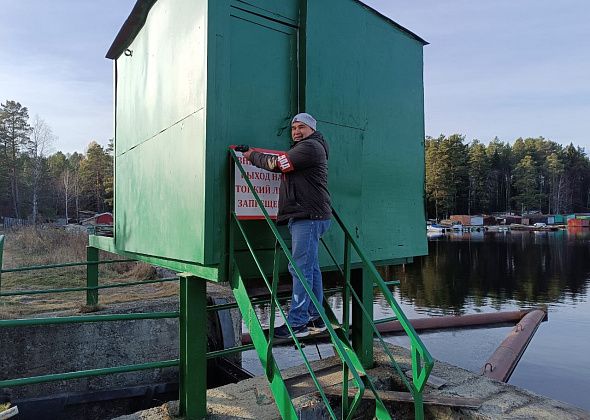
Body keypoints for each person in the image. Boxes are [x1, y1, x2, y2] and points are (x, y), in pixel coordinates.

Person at [242, 113, 331, 338]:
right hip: (309, 216)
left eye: (301, 127)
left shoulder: (310, 147)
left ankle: (297, 322)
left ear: (311, 129)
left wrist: (251, 155)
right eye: (293, 129)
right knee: (310, 268)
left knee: (300, 268)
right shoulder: (309, 147)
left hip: (308, 217)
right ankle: (316, 317)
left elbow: (277, 164)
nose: (296, 132)